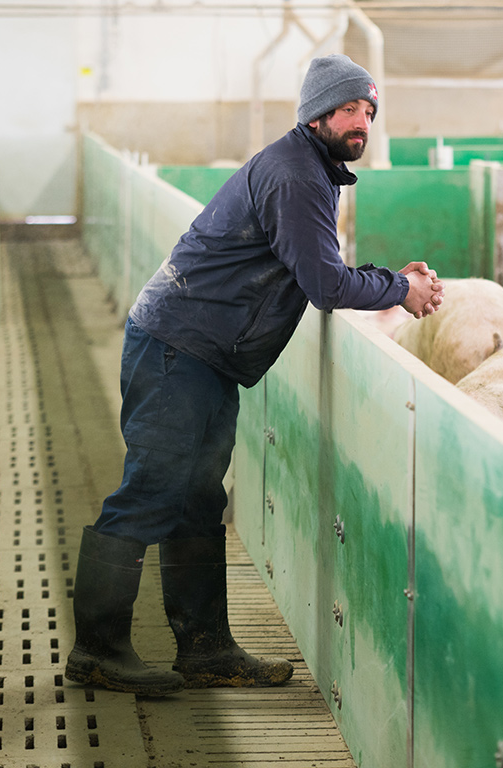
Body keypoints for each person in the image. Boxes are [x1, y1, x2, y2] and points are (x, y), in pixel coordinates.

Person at [65, 54, 444, 697]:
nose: (361, 123)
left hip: (206, 353)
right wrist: (399, 289)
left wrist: (388, 281)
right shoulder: (296, 175)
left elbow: (316, 264)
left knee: (197, 498)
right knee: (153, 489)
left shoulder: (310, 170)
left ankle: (206, 649)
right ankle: (97, 651)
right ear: (317, 114)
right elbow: (324, 284)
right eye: (349, 109)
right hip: (177, 348)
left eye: (369, 112)